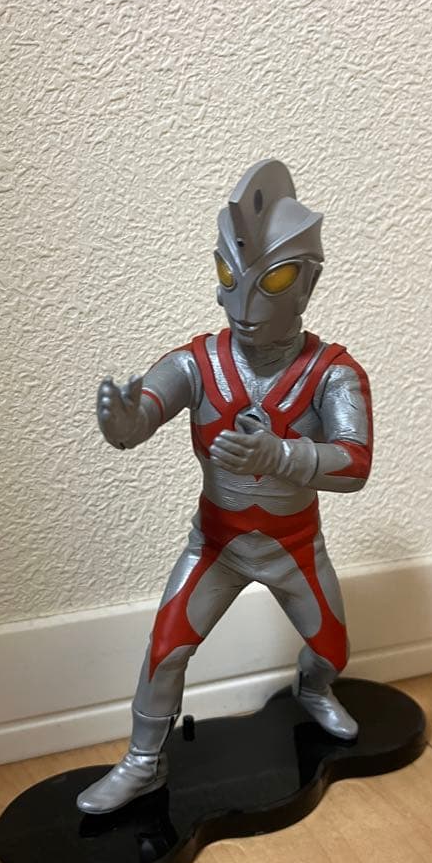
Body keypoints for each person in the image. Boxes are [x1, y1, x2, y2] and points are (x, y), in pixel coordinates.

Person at [77, 159, 373, 814]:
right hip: (216, 543)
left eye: (274, 280)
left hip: (295, 545)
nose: (242, 305)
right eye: (228, 275)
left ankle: (311, 689)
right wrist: (125, 422)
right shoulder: (198, 362)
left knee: (332, 650)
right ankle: (143, 761)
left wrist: (282, 454)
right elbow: (147, 408)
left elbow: (355, 464)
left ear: (307, 283)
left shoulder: (333, 374)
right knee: (165, 649)